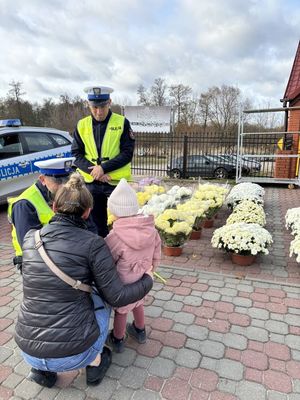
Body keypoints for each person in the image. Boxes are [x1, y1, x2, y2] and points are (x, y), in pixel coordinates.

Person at [14, 173, 153, 388]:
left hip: (28, 350)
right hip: (74, 355)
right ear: (88, 212)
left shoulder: (30, 238)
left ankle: (42, 371)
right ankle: (95, 362)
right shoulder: (94, 244)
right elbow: (117, 296)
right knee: (101, 298)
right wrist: (147, 280)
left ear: (54, 208)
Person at [7, 157, 97, 272]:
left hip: (69, 253)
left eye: (67, 179)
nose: (63, 185)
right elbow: (31, 247)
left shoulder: (71, 192)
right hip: (37, 263)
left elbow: (91, 227)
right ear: (42, 179)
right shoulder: (25, 204)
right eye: (58, 181)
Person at [105, 178, 161, 353]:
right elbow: (156, 253)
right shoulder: (151, 230)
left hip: (123, 282)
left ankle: (118, 338)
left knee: (122, 309)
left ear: (114, 211)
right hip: (143, 276)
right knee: (138, 302)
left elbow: (107, 260)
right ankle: (140, 330)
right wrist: (152, 269)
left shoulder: (115, 236)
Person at [71, 85, 135, 238]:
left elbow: (127, 153)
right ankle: (101, 253)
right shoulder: (81, 125)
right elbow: (76, 154)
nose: (98, 112)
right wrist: (96, 172)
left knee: (124, 222)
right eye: (94, 107)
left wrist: (104, 168)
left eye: (102, 106)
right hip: (92, 182)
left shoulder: (122, 122)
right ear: (88, 104)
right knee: (96, 226)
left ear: (109, 102)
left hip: (116, 182)